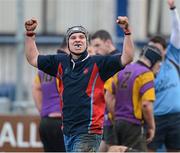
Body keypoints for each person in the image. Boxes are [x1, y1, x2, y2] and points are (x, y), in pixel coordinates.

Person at [24, 16, 134, 152]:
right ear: (68, 44)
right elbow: (33, 58)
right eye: (73, 37)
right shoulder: (60, 62)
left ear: (87, 43)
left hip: (89, 132)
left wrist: (127, 32)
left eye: (81, 37)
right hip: (68, 131)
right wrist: (30, 34)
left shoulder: (98, 63)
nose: (77, 39)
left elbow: (127, 57)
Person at [105, 44, 163, 151]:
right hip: (133, 125)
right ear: (153, 61)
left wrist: (117, 116)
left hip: (116, 123)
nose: (158, 69)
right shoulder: (146, 74)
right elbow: (146, 105)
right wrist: (151, 126)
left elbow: (108, 95)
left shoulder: (123, 70)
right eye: (159, 65)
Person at [148, 0, 180, 152]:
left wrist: (173, 9)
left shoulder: (172, 57)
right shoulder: (144, 68)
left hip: (176, 118)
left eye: (156, 48)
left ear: (165, 50)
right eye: (150, 48)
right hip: (156, 119)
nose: (152, 51)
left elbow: (177, 30)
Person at [32, 39, 68, 152]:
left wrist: (43, 110)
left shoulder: (46, 65)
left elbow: (35, 88)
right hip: (62, 121)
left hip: (45, 122)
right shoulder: (68, 65)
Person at [91, 29, 121, 152]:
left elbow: (115, 94)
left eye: (98, 45)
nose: (95, 50)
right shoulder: (105, 62)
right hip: (106, 117)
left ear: (108, 42)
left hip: (115, 117)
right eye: (93, 46)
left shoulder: (117, 62)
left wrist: (115, 117)